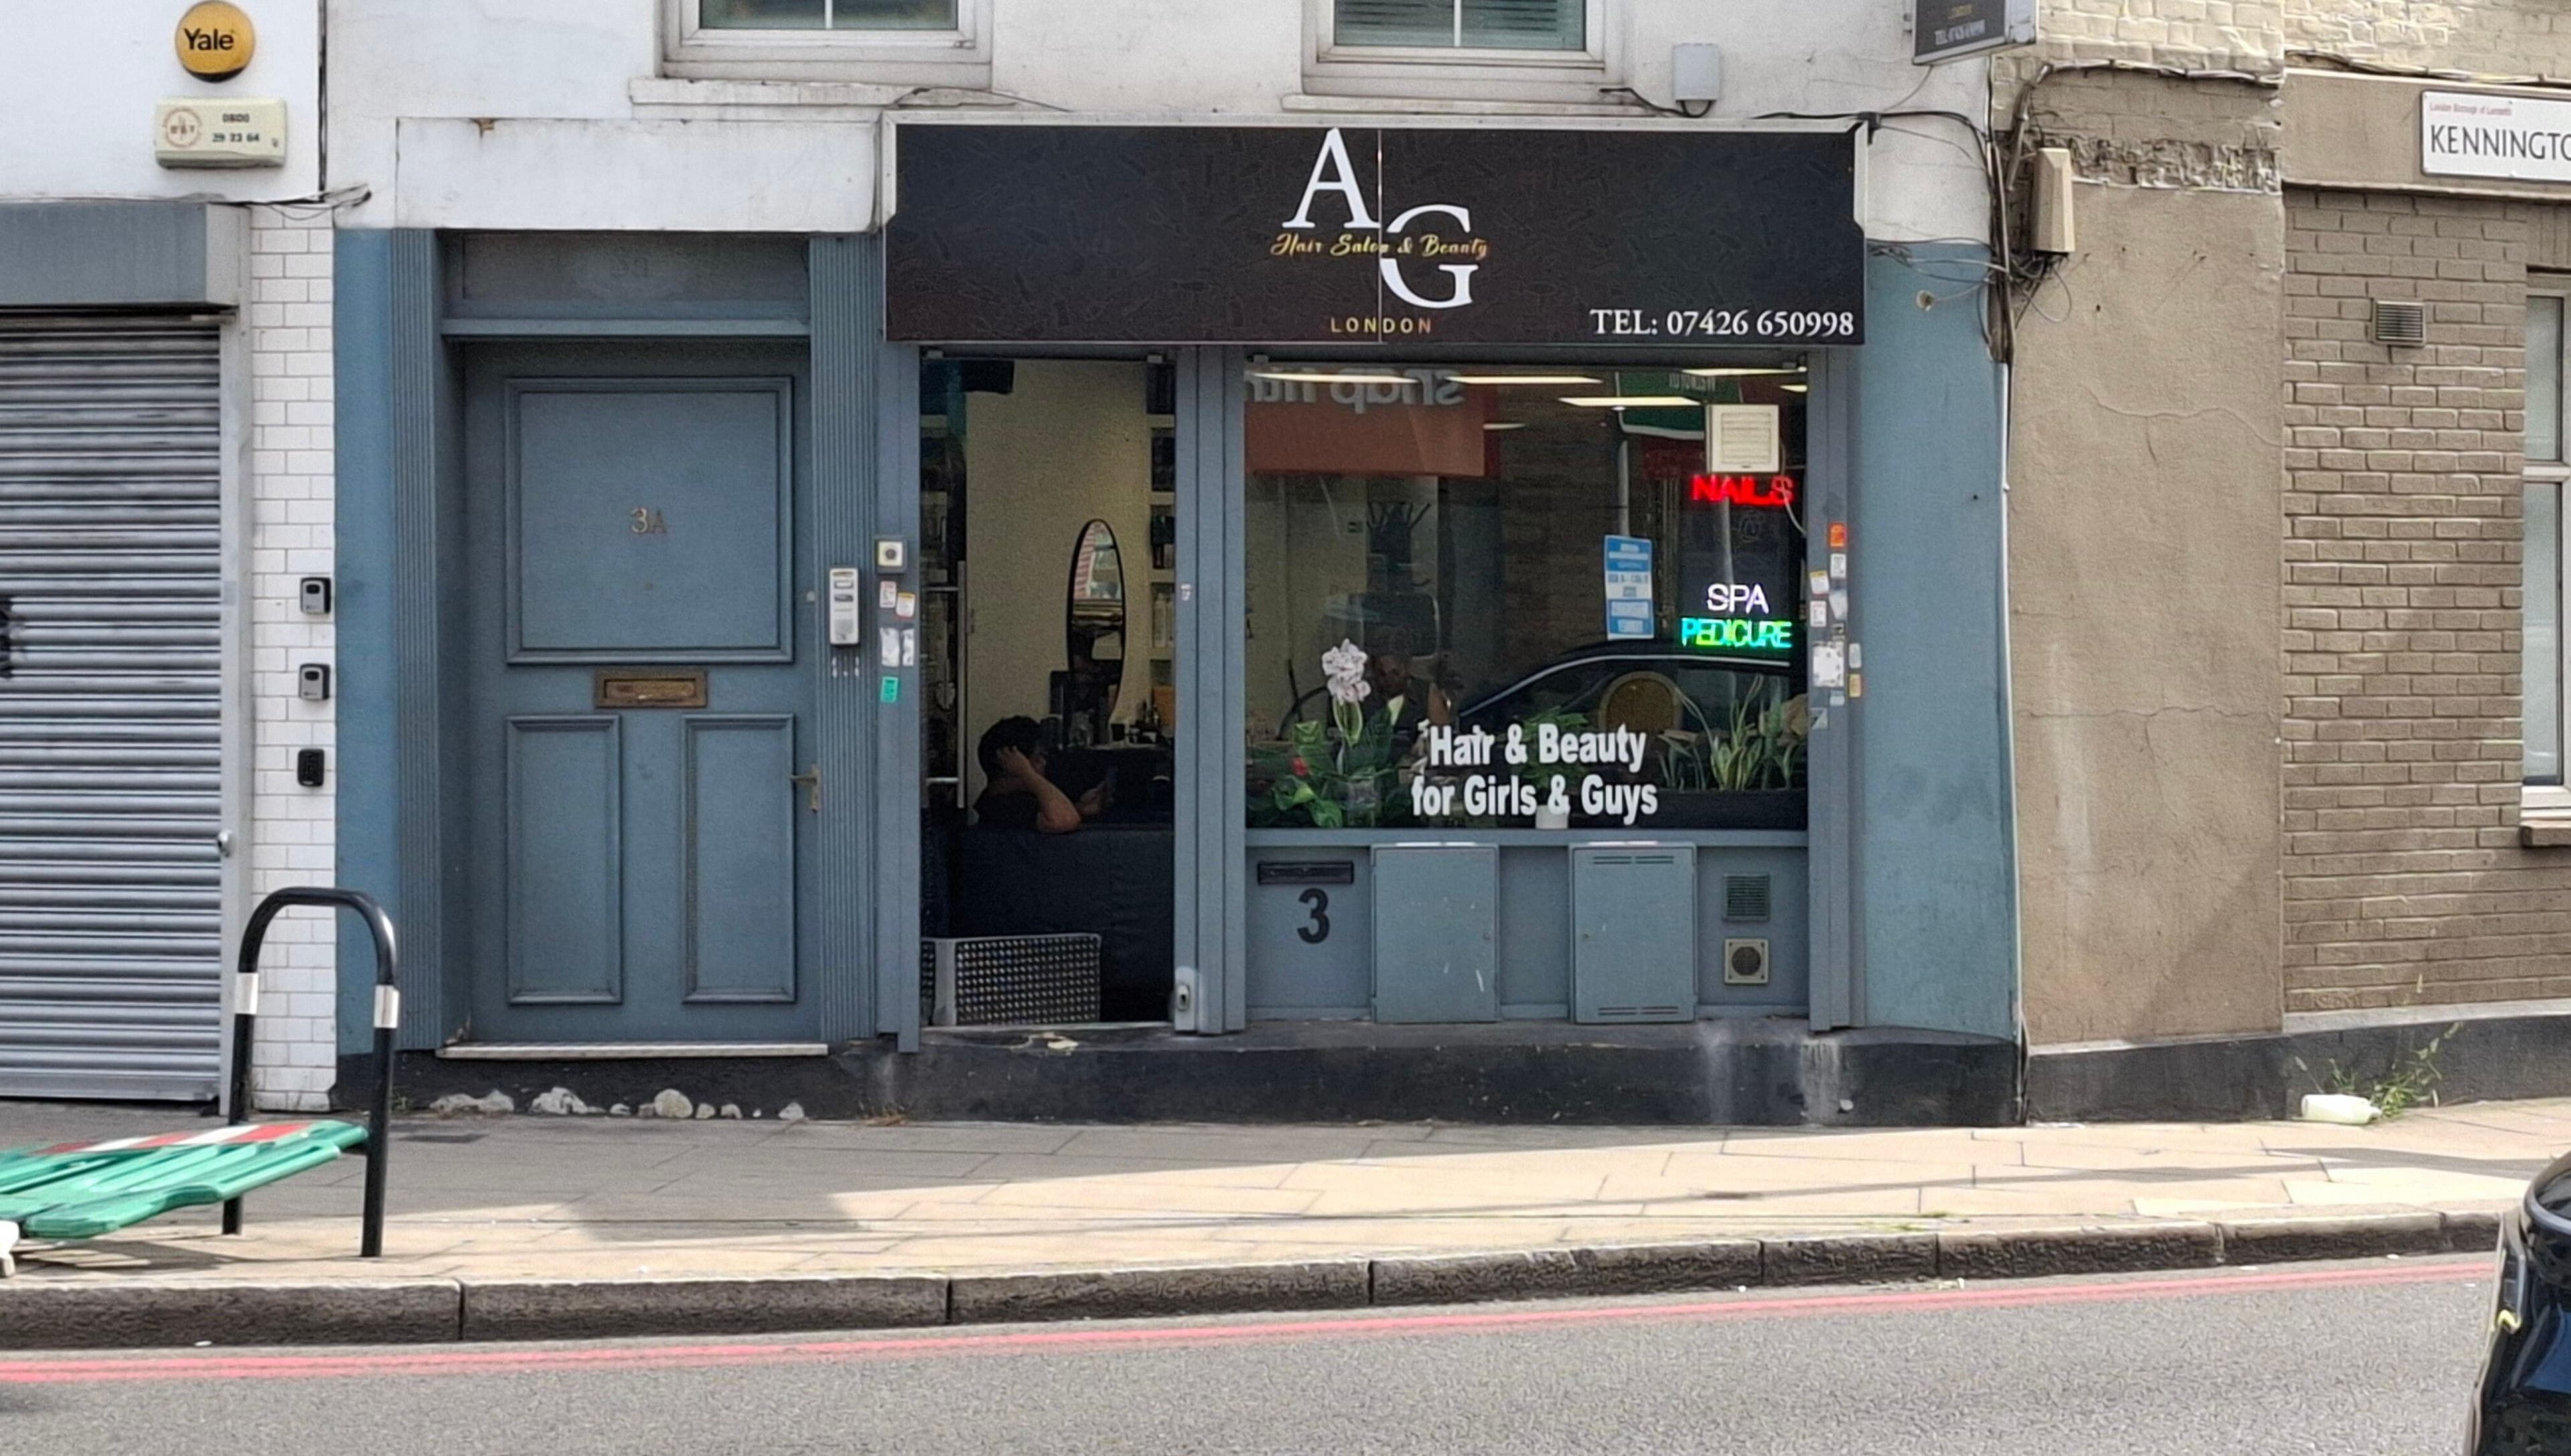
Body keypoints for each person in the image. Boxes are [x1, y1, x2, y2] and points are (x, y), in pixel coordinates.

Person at [973, 716, 1111, 833]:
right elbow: (1065, 820)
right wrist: (1027, 773)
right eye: (1038, 757)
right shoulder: (1000, 807)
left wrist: (1080, 809)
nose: (1044, 763)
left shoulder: (1021, 799)